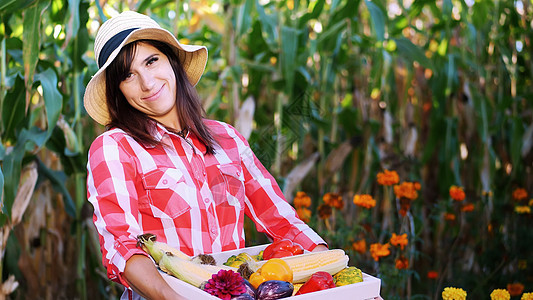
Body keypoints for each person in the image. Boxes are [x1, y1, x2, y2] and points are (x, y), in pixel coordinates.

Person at [84, 11, 327, 300]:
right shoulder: (115, 147)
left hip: (237, 293)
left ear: (171, 61)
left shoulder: (228, 138)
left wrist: (333, 274)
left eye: (152, 61)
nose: (147, 83)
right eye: (128, 75)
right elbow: (122, 245)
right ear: (118, 91)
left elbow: (280, 219)